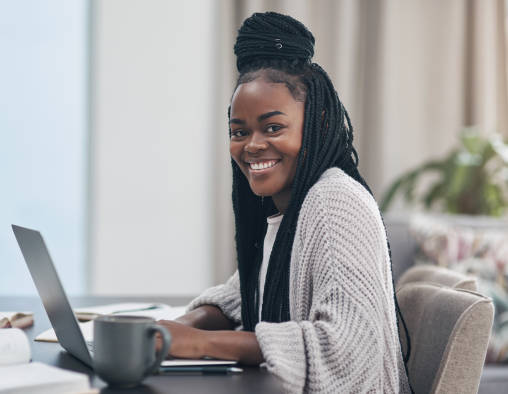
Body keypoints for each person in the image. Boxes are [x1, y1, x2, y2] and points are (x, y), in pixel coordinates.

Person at [158, 11, 411, 393]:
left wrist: (199, 343)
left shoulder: (333, 201)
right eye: (239, 131)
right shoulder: (291, 208)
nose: (253, 145)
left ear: (317, 122)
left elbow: (348, 350)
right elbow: (243, 295)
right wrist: (179, 327)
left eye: (273, 127)